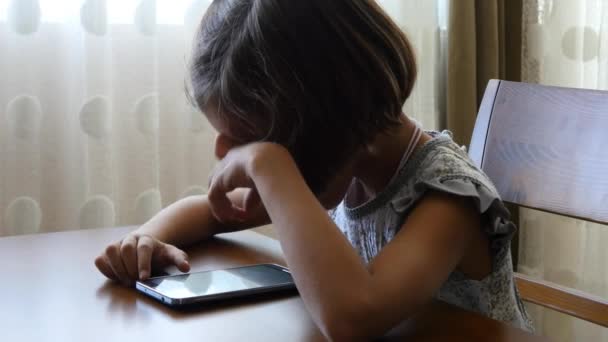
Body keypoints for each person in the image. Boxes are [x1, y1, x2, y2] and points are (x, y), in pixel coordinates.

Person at [95, 0, 533, 339]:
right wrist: (148, 238)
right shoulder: (342, 167)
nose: (227, 153)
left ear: (330, 117)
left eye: (254, 141)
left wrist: (269, 167)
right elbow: (214, 212)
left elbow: (353, 318)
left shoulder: (449, 199)